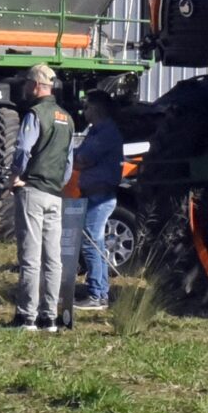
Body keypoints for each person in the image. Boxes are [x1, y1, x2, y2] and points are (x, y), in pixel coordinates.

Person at [9, 65, 75, 332]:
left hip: (33, 189)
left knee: (31, 256)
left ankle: (27, 316)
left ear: (37, 85)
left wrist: (16, 175)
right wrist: (59, 183)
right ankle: (49, 317)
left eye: (27, 83)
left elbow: (24, 148)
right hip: (55, 194)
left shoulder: (35, 114)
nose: (25, 87)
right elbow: (69, 162)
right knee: (53, 258)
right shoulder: (67, 118)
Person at [63, 91, 126, 312]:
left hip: (101, 195)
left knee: (91, 242)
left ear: (97, 109)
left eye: (87, 107)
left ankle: (97, 294)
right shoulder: (95, 131)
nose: (84, 111)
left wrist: (76, 161)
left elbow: (81, 159)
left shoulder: (105, 132)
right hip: (92, 193)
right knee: (94, 243)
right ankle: (98, 290)